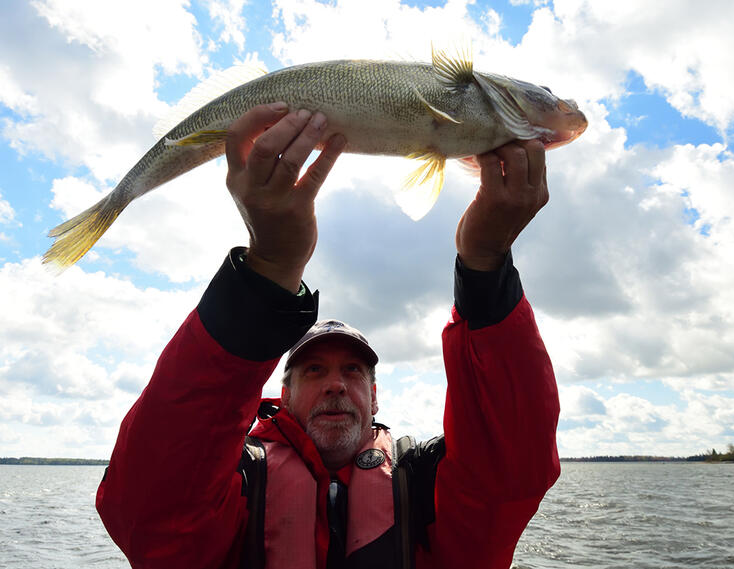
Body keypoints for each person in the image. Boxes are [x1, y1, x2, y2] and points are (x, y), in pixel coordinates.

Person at [96, 103, 560, 569]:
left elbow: (510, 469)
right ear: (284, 394)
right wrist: (269, 270)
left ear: (374, 398)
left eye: (353, 371)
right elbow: (153, 508)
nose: (335, 383)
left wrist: (485, 266)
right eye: (314, 369)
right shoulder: (236, 482)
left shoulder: (422, 485)